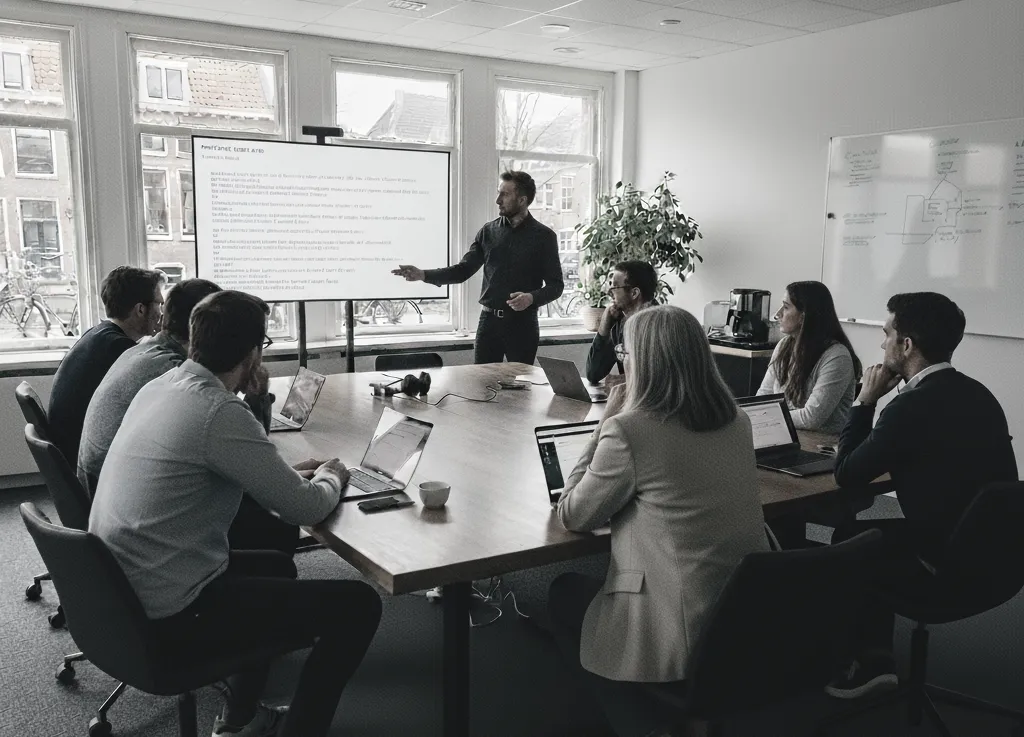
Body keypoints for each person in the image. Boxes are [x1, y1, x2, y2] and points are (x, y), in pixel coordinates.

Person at [88, 290, 382, 737]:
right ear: (253, 351)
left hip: (120, 590)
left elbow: (231, 469)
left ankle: (238, 719)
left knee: (277, 565)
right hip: (174, 611)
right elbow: (307, 508)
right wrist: (335, 474)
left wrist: (281, 471)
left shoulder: (163, 385)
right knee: (359, 605)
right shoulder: (218, 411)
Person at [548, 305, 768, 737]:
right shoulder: (737, 421)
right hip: (748, 607)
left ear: (644, 360)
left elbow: (572, 513)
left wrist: (605, 422)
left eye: (625, 352)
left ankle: (642, 724)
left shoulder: (630, 430)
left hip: (681, 618)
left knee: (562, 595)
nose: (622, 359)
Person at [826, 292, 1017, 699]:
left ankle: (867, 661)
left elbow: (846, 473)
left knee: (849, 540)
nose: (881, 344)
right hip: (1001, 561)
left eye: (886, 333)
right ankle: (876, 657)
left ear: (906, 345)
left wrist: (865, 400)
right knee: (870, 537)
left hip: (946, 566)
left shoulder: (912, 407)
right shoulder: (980, 395)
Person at [77, 278, 298, 555]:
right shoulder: (176, 373)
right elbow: (240, 453)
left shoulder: (148, 355)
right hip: (142, 524)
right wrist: (257, 397)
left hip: (114, 508)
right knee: (278, 523)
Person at [392, 170, 563, 364]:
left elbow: (556, 286)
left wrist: (531, 298)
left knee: (522, 386)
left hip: (523, 325)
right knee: (482, 385)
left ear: (522, 200)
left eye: (505, 194)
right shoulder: (488, 231)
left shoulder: (544, 237)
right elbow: (463, 270)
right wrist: (423, 274)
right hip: (489, 324)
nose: (498, 200)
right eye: (499, 193)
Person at [48, 266, 164, 465]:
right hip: (88, 464)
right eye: (159, 304)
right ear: (141, 309)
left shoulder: (98, 333)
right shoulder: (120, 350)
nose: (161, 312)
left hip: (69, 456)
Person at [757, 281, 861, 433]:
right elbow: (763, 397)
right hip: (786, 434)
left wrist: (766, 417)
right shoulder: (784, 345)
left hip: (821, 448)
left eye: (786, 307)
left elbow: (811, 418)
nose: (777, 314)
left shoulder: (837, 356)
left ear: (803, 317)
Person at [585, 261, 657, 384]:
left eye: (615, 287)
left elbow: (661, 378)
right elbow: (594, 374)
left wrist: (623, 381)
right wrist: (603, 328)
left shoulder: (660, 325)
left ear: (634, 293)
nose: (609, 292)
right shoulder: (620, 322)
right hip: (632, 400)